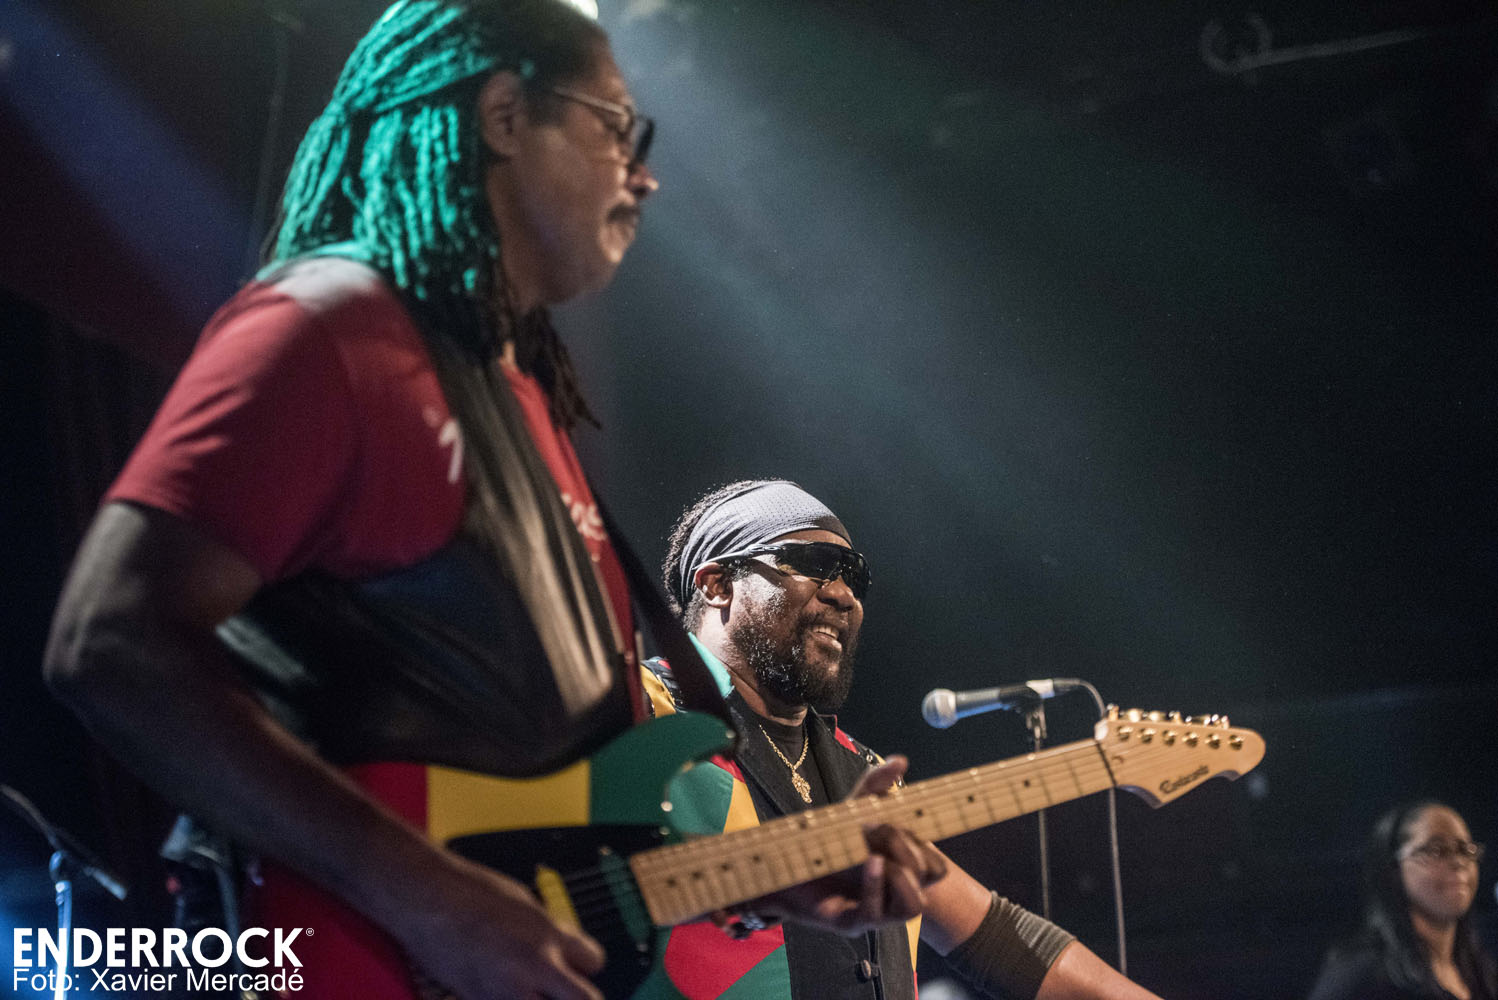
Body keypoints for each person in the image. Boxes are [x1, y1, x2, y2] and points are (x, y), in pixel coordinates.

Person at [41, 5, 944, 999]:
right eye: (617, 127)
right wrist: (428, 896)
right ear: (507, 114)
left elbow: (557, 824)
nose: (644, 177)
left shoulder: (521, 394)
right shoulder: (335, 330)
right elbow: (108, 643)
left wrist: (774, 880)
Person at [645, 479, 1166, 999]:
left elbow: (996, 937)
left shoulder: (862, 772)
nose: (844, 595)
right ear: (717, 584)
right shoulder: (644, 713)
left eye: (854, 578)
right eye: (813, 563)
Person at [1308, 801, 1496, 1000]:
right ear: (1393, 869)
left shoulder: (1481, 973)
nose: (1458, 862)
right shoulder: (1362, 974)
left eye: (1466, 850)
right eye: (1436, 850)